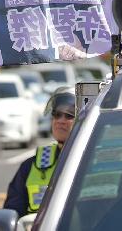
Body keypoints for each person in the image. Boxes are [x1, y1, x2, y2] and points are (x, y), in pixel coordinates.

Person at [4, 86, 76, 217]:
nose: (60, 121)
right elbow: (13, 213)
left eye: (69, 115)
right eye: (57, 114)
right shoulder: (31, 166)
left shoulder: (97, 161)